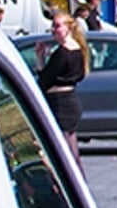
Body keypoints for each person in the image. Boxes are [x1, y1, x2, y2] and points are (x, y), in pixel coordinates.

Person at [34, 10, 89, 166]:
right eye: (52, 26)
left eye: (57, 26)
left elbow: (45, 79)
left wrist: (40, 58)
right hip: (68, 103)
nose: (53, 30)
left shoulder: (63, 53)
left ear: (68, 29)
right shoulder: (78, 49)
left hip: (61, 105)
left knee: (64, 154)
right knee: (71, 152)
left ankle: (70, 186)